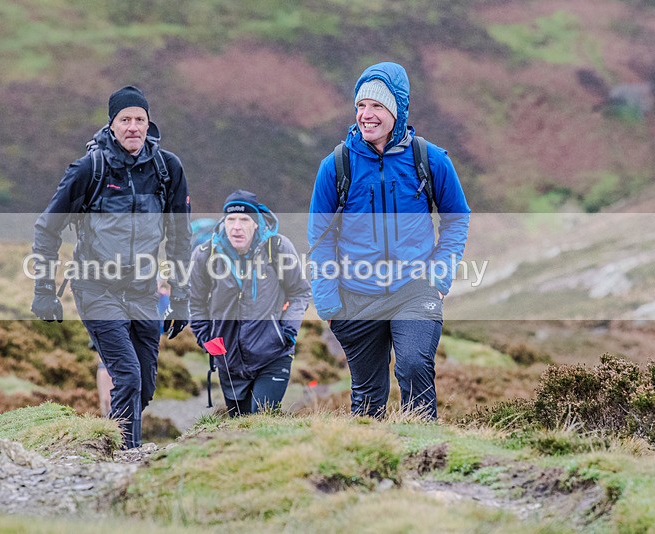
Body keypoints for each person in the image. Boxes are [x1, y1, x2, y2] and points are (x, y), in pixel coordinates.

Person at [32, 85, 192, 448]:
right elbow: (47, 228)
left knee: (145, 387)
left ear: (149, 124)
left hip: (142, 290)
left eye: (140, 119)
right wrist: (44, 290)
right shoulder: (91, 168)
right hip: (96, 287)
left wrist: (181, 296)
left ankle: (112, 443)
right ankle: (123, 457)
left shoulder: (167, 169)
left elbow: (180, 237)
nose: (133, 127)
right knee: (128, 377)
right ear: (112, 124)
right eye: (125, 119)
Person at [308, 62, 470, 420]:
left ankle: (426, 458)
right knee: (367, 400)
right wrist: (328, 303)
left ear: (397, 109)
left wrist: (438, 279)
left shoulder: (429, 160)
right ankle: (372, 469)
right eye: (361, 106)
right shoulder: (336, 165)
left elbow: (457, 219)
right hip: (355, 294)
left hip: (414, 288)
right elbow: (319, 238)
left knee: (413, 367)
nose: (366, 115)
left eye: (377, 107)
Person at [190, 190, 311, 416]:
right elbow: (196, 303)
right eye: (231, 219)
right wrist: (206, 339)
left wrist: (287, 332)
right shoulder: (205, 254)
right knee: (240, 423)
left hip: (273, 353)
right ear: (224, 222)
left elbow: (300, 292)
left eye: (244, 219)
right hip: (228, 358)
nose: (236, 226)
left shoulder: (277, 248)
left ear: (256, 223)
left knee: (261, 416)